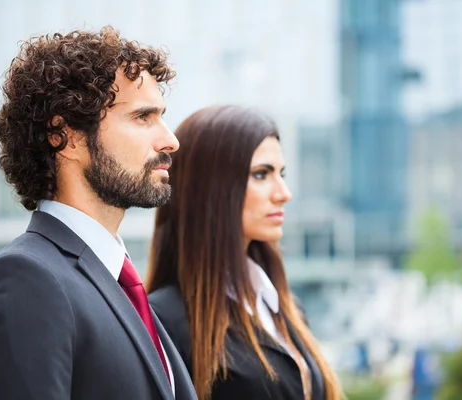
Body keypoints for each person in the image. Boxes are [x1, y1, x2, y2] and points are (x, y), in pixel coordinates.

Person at [0, 26, 197, 400]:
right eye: (143, 117)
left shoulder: (116, 281)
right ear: (64, 135)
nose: (170, 140)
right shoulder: (22, 284)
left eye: (161, 116)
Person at [146, 105, 343, 400]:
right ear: (210, 188)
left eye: (281, 173)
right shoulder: (163, 320)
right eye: (262, 174)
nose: (284, 193)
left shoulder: (284, 306)